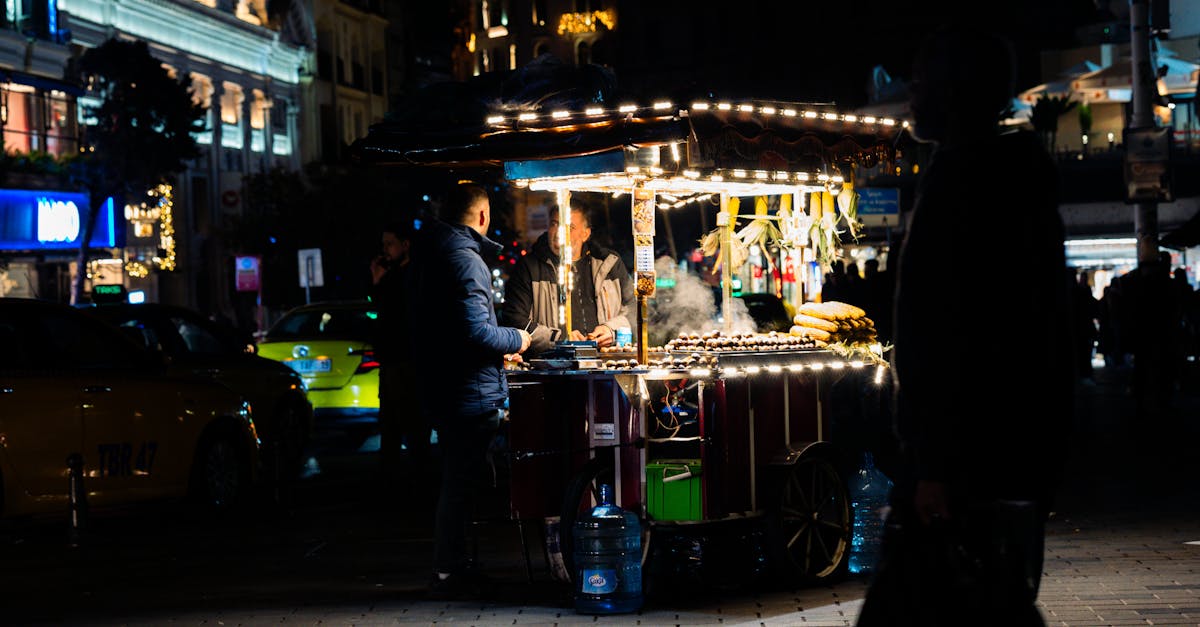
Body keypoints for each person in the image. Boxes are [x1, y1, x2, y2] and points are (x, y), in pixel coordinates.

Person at [856, 25, 1075, 627]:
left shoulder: (967, 182)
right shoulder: (1003, 177)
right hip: (998, 452)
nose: (910, 98)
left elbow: (954, 337)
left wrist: (934, 465)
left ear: (954, 92)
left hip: (965, 460)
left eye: (921, 84)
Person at [402, 183, 532, 600]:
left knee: (457, 482)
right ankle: (450, 571)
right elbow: (476, 331)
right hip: (466, 392)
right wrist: (517, 339)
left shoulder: (430, 253)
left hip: (443, 385)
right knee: (460, 484)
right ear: (480, 216)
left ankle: (454, 567)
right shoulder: (465, 259)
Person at [501, 204, 633, 356]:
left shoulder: (610, 264)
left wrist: (612, 329)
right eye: (554, 224)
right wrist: (560, 339)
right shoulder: (528, 267)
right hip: (552, 369)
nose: (559, 233)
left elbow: (634, 310)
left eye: (569, 227)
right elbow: (514, 319)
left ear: (585, 234)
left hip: (604, 364)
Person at [368, 217, 429, 486]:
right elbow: (377, 313)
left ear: (405, 245)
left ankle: (417, 480)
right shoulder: (391, 276)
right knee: (391, 426)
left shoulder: (413, 275)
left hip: (407, 362)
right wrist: (377, 281)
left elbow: (393, 313)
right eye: (384, 244)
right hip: (392, 361)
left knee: (412, 427)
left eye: (390, 244)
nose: (385, 250)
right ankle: (392, 480)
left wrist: (380, 284)